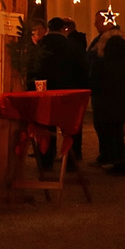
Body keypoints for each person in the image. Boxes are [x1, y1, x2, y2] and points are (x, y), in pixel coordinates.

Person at [29, 17, 90, 170]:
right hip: (69, 92)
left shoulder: (41, 46)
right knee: (71, 127)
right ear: (64, 29)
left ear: (48, 29)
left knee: (46, 125)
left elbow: (32, 68)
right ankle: (71, 159)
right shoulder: (72, 46)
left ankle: (46, 159)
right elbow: (83, 69)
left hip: (46, 92)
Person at [90, 34, 125, 176]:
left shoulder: (101, 62)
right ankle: (121, 162)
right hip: (121, 101)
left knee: (109, 133)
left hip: (105, 102)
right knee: (118, 133)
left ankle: (118, 163)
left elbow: (94, 81)